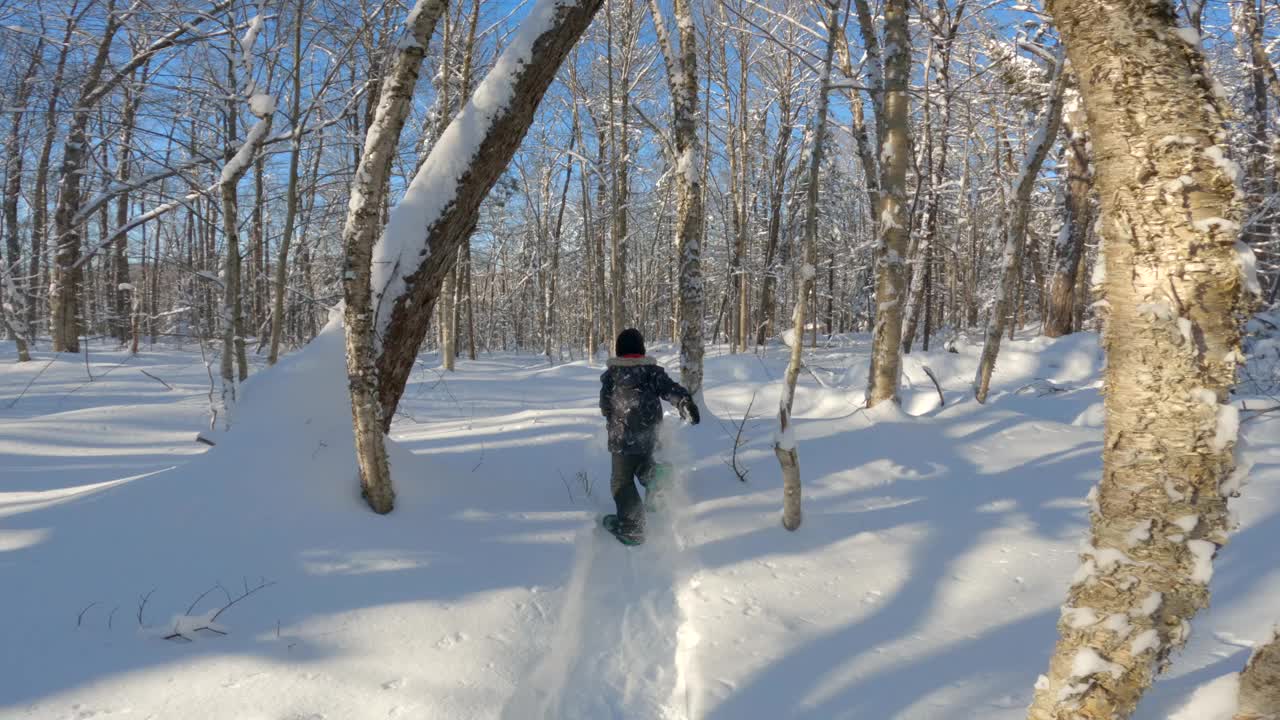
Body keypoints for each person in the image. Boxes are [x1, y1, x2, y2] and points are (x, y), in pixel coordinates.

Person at [599, 328, 700, 545]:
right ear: (641, 350)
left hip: (622, 441)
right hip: (649, 436)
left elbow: (605, 406)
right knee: (644, 465)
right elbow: (670, 389)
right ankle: (656, 476)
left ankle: (632, 528)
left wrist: (611, 416)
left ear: (619, 352)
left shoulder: (611, 376)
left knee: (621, 483)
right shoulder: (652, 372)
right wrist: (684, 402)